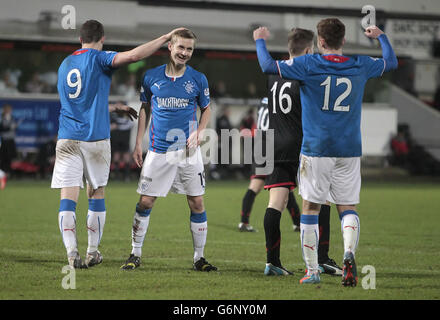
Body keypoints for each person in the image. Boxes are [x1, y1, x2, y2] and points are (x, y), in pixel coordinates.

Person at [254, 19, 397, 285]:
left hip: (316, 149)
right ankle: (348, 252)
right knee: (347, 207)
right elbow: (391, 62)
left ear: (320, 42)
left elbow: (266, 66)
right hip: (350, 149)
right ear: (344, 40)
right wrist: (381, 37)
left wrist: (260, 39)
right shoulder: (361, 64)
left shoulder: (309, 65)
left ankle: (312, 271)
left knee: (310, 208)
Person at [52, 19, 183, 269]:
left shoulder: (65, 63)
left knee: (68, 198)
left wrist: (113, 108)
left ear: (80, 39)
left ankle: (71, 253)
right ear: (102, 40)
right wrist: (165, 37)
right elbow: (134, 56)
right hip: (95, 139)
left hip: (67, 138)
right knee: (96, 193)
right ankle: (92, 252)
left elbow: (80, 103)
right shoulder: (99, 58)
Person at [120, 29, 217, 272]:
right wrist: (138, 143)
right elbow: (145, 109)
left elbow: (206, 108)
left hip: (187, 152)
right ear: (170, 47)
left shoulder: (198, 79)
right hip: (158, 151)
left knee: (197, 202)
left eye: (189, 49)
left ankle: (199, 258)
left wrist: (201, 130)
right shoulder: (151, 77)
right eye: (181, 47)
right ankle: (135, 253)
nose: (185, 53)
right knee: (145, 202)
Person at [251, 29, 341, 277]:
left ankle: (272, 263)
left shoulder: (274, 73)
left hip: (274, 145)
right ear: (310, 50)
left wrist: (260, 41)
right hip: (302, 145)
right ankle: (321, 259)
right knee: (320, 201)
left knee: (275, 204)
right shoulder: (306, 72)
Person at [238, 97, 302, 234]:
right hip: (273, 144)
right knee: (284, 186)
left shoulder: (263, 101)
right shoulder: (280, 99)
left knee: (254, 187)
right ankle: (298, 223)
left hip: (260, 144)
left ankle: (243, 221)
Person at [0, 104, 18, 175]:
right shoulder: (1, 117)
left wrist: (14, 127)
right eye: (7, 109)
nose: (9, 111)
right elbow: (1, 128)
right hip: (4, 140)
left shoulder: (12, 118)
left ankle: (8, 172)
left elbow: (14, 128)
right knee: (3, 157)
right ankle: (2, 171)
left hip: (11, 140)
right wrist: (9, 128)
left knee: (10, 157)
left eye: (10, 110)